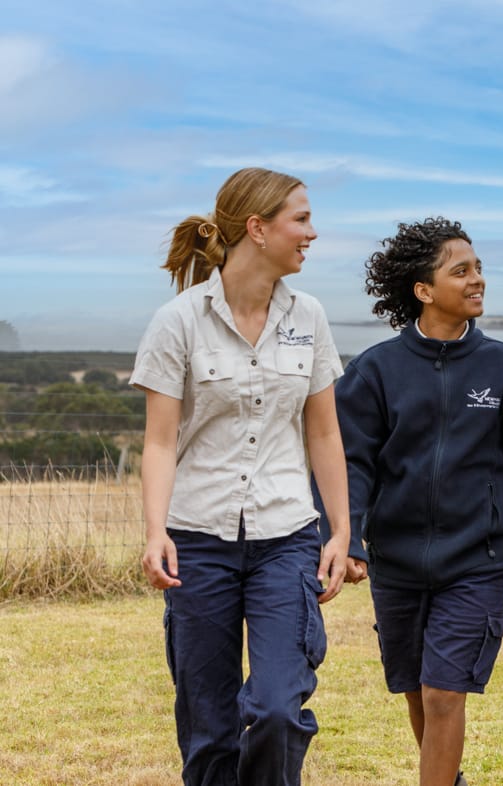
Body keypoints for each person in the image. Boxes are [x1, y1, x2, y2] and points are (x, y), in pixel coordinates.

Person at [325, 217, 503, 786]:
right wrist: (346, 537)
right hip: (396, 563)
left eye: (478, 268)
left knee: (442, 693)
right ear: (424, 290)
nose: (477, 279)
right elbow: (350, 463)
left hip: (477, 562)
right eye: (461, 271)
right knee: (416, 690)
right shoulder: (375, 370)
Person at [131, 166, 351, 786]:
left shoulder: (310, 316)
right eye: (301, 219)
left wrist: (341, 530)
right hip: (197, 540)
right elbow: (159, 441)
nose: (312, 233)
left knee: (279, 709)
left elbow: (324, 433)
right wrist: (155, 531)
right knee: (210, 728)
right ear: (257, 228)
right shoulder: (178, 321)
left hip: (287, 536)